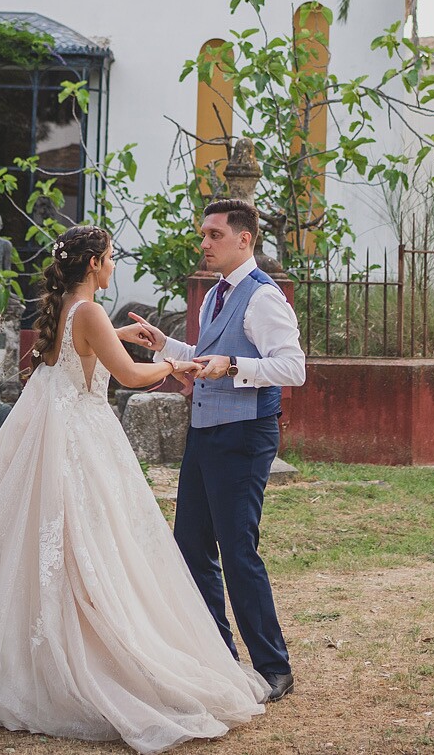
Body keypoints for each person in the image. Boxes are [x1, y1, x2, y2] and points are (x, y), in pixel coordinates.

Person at [0, 225, 269, 752]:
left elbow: (82, 346)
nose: (113, 265)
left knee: (56, 545)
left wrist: (118, 334)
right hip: (84, 438)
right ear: (93, 264)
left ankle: (33, 651)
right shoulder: (89, 311)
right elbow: (129, 377)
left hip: (62, 433)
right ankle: (88, 651)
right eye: (109, 258)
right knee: (95, 544)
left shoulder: (66, 308)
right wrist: (176, 365)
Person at [119, 198, 306, 702]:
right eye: (203, 234)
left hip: (244, 435)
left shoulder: (263, 297)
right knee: (190, 545)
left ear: (244, 239)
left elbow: (293, 368)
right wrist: (165, 345)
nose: (204, 243)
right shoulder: (214, 296)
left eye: (214, 235)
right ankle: (220, 657)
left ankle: (274, 668)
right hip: (204, 432)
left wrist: (235, 367)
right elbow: (206, 358)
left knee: (237, 549)